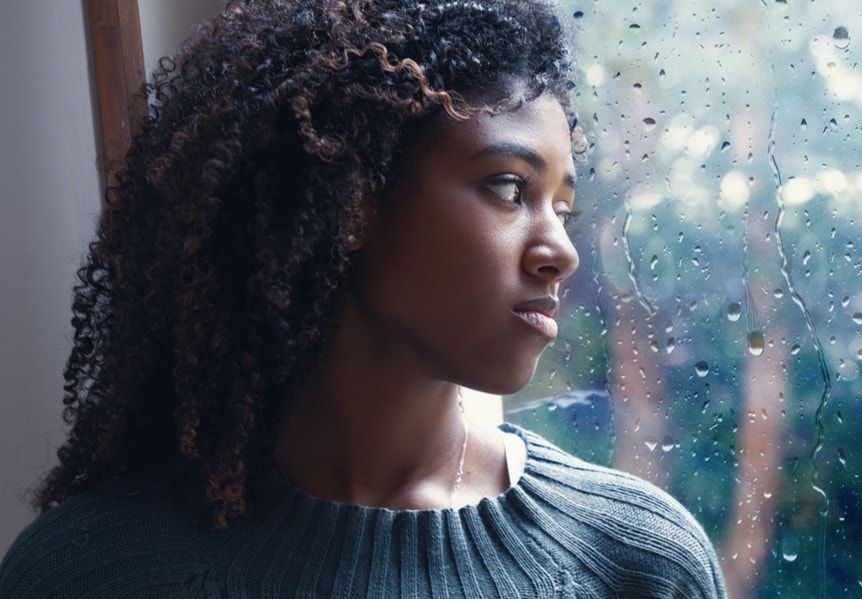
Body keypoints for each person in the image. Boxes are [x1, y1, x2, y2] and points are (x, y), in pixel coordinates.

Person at [0, 0, 727, 596]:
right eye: (510, 188)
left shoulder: (640, 564)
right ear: (350, 201)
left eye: (562, 208)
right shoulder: (88, 573)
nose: (560, 251)